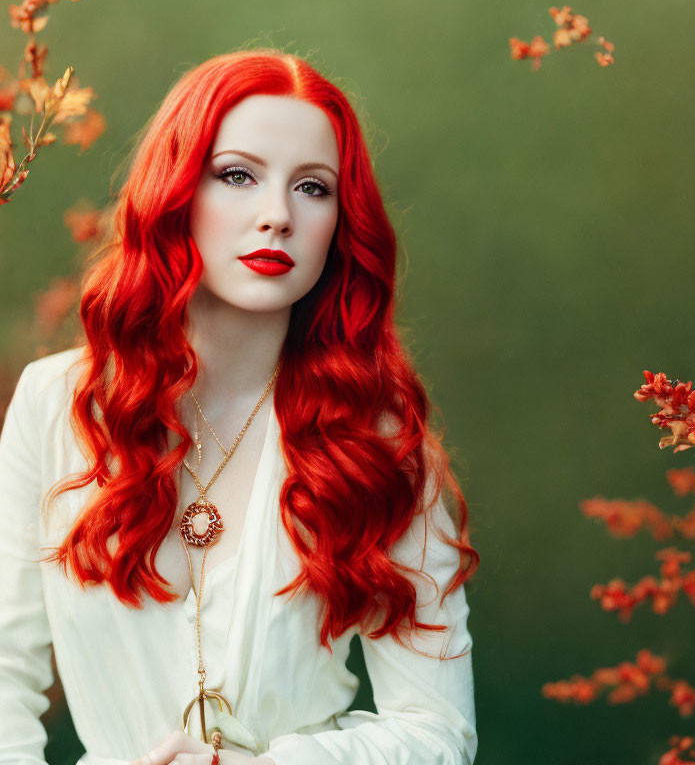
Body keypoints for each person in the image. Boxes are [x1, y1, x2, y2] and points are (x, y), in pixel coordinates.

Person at [0, 49, 480, 765]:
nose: (277, 215)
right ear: (176, 192)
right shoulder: (57, 404)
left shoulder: (379, 445)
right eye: (238, 175)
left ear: (341, 224)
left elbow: (440, 731)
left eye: (313, 188)